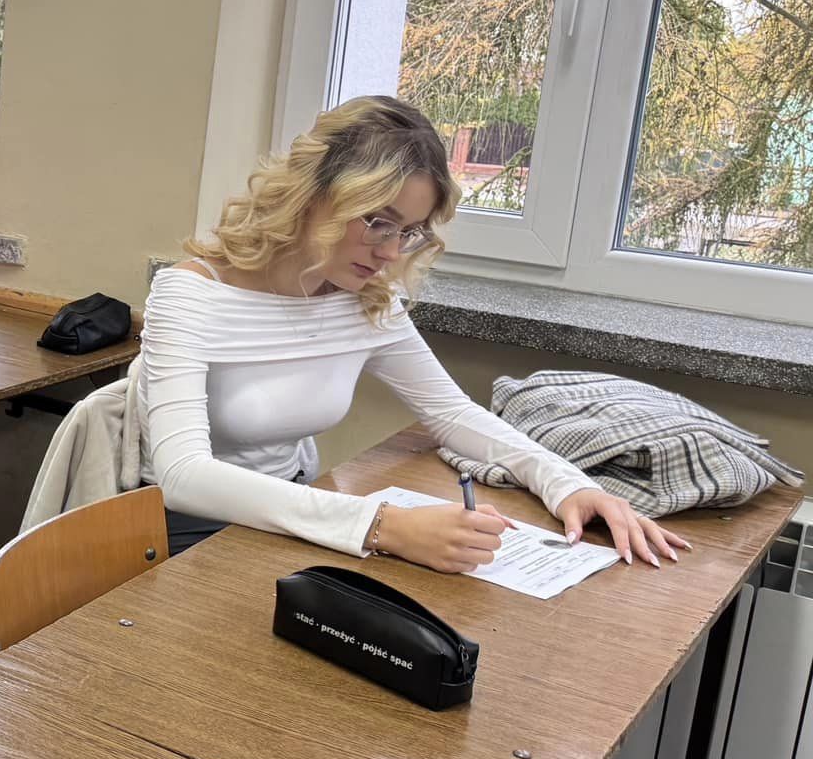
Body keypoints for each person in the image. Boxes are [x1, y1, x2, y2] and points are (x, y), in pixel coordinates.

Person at [139, 94, 688, 570]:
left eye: (408, 232)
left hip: (294, 517)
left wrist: (569, 483)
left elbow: (451, 413)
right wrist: (383, 526)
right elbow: (185, 475)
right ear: (312, 193)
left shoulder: (364, 299)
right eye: (377, 221)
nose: (389, 252)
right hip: (175, 532)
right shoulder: (192, 294)